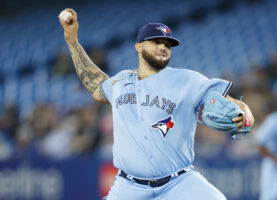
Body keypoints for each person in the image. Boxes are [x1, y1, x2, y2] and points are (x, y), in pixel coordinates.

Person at [58, 8, 254, 200]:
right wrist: (72, 41)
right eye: (156, 42)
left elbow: (237, 105)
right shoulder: (120, 81)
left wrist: (244, 117)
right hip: (128, 187)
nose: (163, 47)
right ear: (139, 47)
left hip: (178, 183)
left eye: (167, 44)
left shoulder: (187, 80)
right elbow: (96, 86)